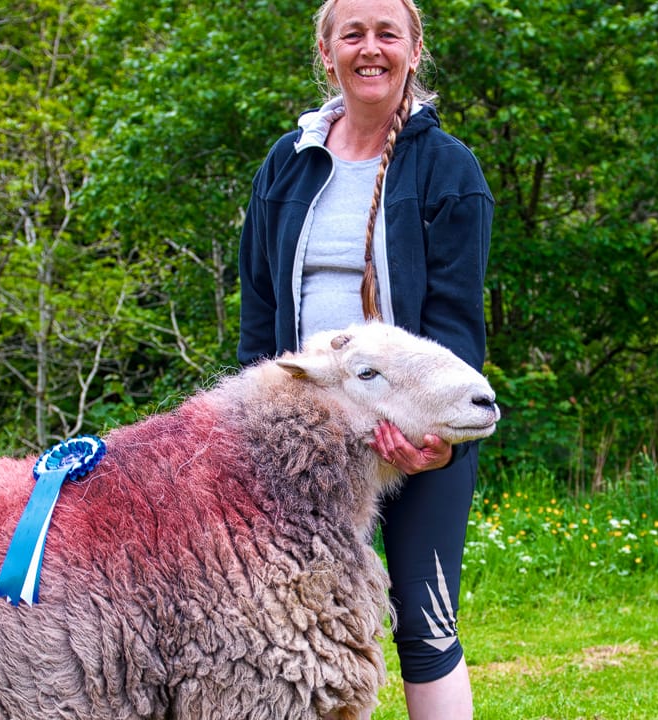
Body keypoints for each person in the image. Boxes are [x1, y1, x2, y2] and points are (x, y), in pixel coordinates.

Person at [237, 0, 493, 716]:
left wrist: (434, 445)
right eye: (353, 33)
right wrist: (250, 432)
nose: (370, 48)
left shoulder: (449, 169)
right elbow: (260, 311)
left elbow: (456, 325)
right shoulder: (286, 165)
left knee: (423, 621)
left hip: (415, 437)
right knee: (278, 622)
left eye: (388, 33)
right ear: (327, 53)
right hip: (302, 448)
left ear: (414, 50)